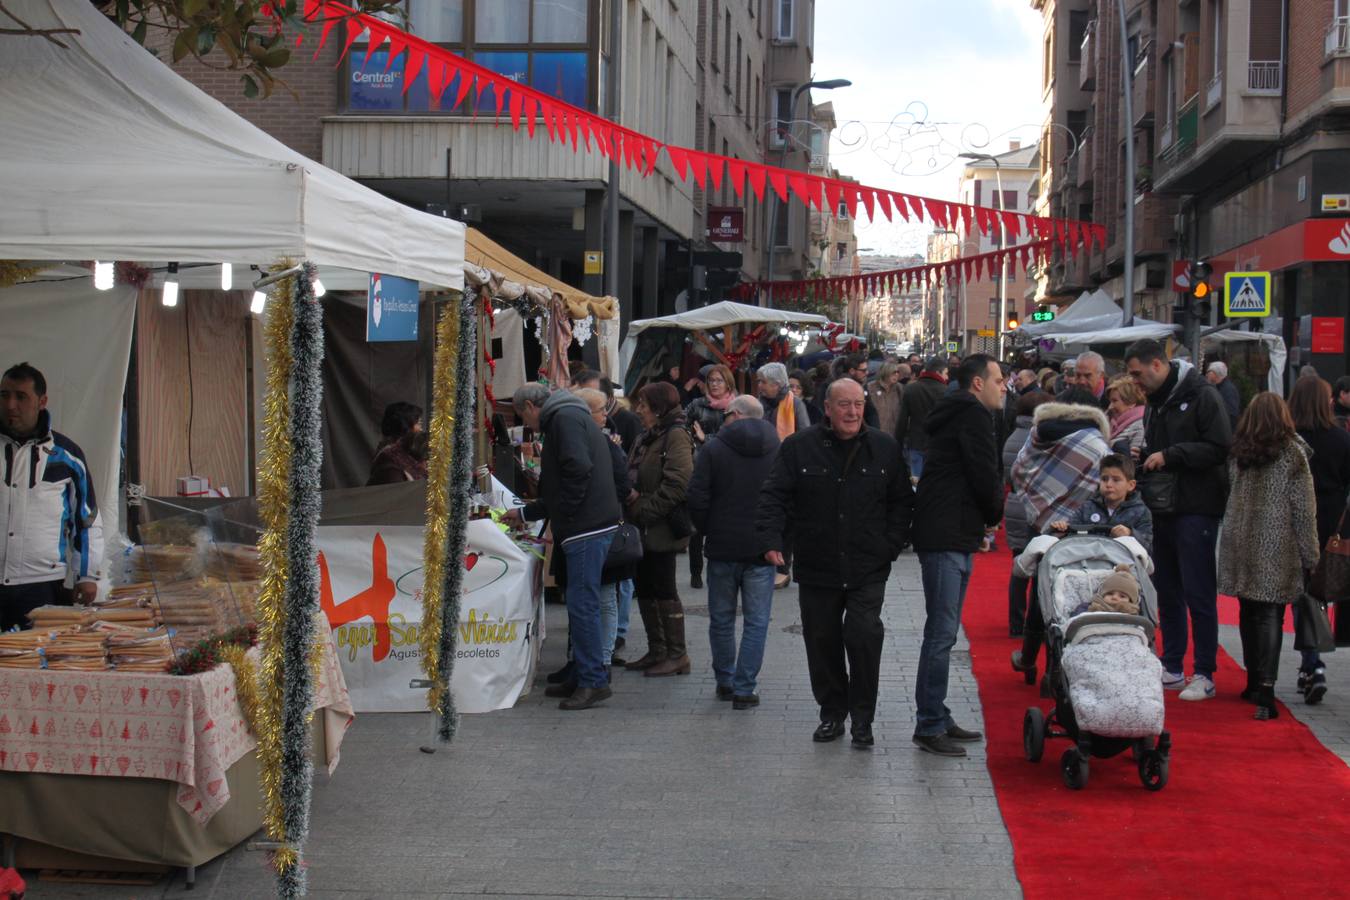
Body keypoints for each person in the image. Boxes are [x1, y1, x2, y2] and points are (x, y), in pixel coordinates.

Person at [756, 378, 914, 748]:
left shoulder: (883, 447)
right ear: (827, 407)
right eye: (844, 404)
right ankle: (832, 712)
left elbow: (901, 501)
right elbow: (774, 495)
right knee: (821, 640)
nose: (852, 412)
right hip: (818, 563)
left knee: (863, 636)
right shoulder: (799, 447)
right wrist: (771, 540)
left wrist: (890, 544)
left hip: (867, 565)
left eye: (858, 404)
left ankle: (862, 717)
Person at [1125, 338, 1232, 701]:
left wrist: (1170, 455)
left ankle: (1204, 671)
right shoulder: (1157, 403)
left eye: (1139, 374)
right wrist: (1147, 455)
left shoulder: (1202, 396)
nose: (1136, 383)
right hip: (1164, 505)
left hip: (1197, 506)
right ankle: (1172, 665)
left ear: (1158, 364)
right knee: (1168, 588)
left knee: (1198, 589)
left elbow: (1220, 447)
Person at [911, 354, 1005, 757]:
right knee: (942, 633)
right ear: (978, 384)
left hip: (953, 530)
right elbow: (984, 472)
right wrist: (993, 514)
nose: (1004, 386)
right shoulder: (972, 415)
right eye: (998, 379)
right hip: (947, 532)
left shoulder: (959, 411)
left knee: (944, 632)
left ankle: (938, 713)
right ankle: (929, 724)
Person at [506, 384, 620, 710]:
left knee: (582, 603)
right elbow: (565, 479)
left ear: (530, 405)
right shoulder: (569, 415)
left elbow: (577, 470)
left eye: (523, 416)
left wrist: (566, 514)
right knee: (580, 602)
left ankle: (592, 680)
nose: (528, 424)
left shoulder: (564, 419)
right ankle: (582, 671)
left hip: (586, 526)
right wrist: (529, 512)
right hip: (588, 522)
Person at [1218, 393, 1320, 720]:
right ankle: (1266, 687)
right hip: (1276, 542)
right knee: (1270, 614)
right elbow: (1304, 510)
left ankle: (1251, 679)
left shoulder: (1239, 453)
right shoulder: (1293, 453)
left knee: (1249, 610)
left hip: (1240, 540)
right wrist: (1311, 554)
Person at [1007, 391, 1113, 681]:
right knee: (1075, 588)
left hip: (1039, 523)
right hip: (1082, 527)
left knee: (1041, 590)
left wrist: (1042, 503)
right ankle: (1064, 660)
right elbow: (1104, 482)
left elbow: (1017, 470)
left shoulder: (1037, 434)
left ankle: (1029, 656)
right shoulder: (1094, 442)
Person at [687, 395, 780, 709]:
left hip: (723, 546)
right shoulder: (778, 448)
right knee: (756, 621)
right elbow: (787, 498)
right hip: (761, 549)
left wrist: (708, 528)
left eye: (727, 414)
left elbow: (697, 496)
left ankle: (726, 680)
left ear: (737, 415)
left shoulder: (714, 449)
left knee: (722, 619)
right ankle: (744, 688)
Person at [0, 363, 103, 630]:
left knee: (37, 663)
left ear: (41, 401)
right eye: (4, 395)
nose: (11, 404)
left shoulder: (67, 456)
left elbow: (86, 519)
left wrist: (87, 575)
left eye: (21, 396)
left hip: (41, 585)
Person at [624, 382, 696, 677]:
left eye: (643, 405)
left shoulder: (676, 435)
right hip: (643, 526)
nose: (639, 410)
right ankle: (657, 650)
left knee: (664, 587)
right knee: (646, 587)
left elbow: (678, 484)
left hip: (660, 527)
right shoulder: (648, 436)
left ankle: (677, 655)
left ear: (657, 408)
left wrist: (645, 511)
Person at [1289, 376, 1350, 700]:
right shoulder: (1340, 438)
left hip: (1297, 521)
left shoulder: (1290, 439)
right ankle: (1311, 664)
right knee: (1318, 594)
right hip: (1331, 522)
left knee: (1302, 595)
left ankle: (1311, 663)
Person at [683, 364, 737, 590]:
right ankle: (696, 571)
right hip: (700, 467)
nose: (715, 384)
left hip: (726, 469)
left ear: (728, 384)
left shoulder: (736, 406)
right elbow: (684, 430)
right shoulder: (697, 405)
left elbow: (734, 437)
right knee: (696, 523)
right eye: (711, 380)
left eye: (719, 380)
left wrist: (706, 438)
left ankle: (720, 568)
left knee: (721, 521)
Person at [1003, 391, 1052, 637]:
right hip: (1033, 504)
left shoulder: (1014, 435)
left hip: (1013, 502)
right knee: (1037, 565)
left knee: (1019, 564)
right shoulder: (1038, 438)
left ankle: (1016, 620)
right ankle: (1033, 620)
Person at [1047, 453, 1154, 554]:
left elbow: (1147, 547)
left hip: (1122, 565)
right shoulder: (1088, 507)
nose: (1109, 484)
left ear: (1131, 485)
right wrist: (1063, 528)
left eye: (1116, 480)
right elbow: (1072, 533)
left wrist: (1130, 534)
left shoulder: (1141, 512)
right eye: (1104, 479)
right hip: (1087, 562)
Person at [894, 355, 948, 479]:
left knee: (916, 480)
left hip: (916, 443)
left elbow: (902, 420)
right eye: (946, 373)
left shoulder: (911, 389)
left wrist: (898, 443)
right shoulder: (946, 391)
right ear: (938, 372)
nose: (947, 377)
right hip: (938, 446)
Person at [757, 363, 810, 440]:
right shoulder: (757, 403)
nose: (759, 385)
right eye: (759, 381)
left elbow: (805, 435)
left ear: (777, 385)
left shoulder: (796, 404)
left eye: (763, 382)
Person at [1067, 565, 1142, 617]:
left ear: (1131, 601)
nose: (1115, 597)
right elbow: (1077, 620)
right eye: (1110, 593)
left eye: (1122, 596)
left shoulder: (1132, 614)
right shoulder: (1089, 607)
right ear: (1102, 595)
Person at [1106, 376, 1147, 455]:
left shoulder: (1140, 426)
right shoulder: (1109, 418)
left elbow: (1134, 460)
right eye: (1110, 401)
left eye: (1115, 401)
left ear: (1131, 402)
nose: (1110, 406)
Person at [864, 362, 905, 436]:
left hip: (894, 433)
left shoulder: (899, 388)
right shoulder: (870, 387)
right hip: (876, 432)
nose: (896, 375)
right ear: (885, 373)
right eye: (893, 372)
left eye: (897, 372)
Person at [1206, 361, 1241, 431]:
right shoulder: (1220, 387)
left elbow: (1231, 414)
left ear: (1216, 373)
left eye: (1209, 371)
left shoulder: (1228, 390)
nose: (1206, 375)